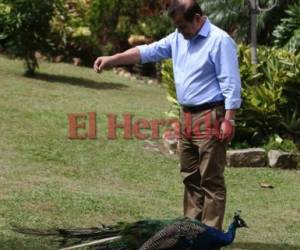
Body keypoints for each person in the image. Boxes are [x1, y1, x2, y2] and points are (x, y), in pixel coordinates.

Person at [93, 0, 242, 236]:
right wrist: (113, 59)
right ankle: (190, 234)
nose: (180, 31)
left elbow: (231, 82)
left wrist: (229, 118)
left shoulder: (219, 40)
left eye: (183, 26)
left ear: (198, 18)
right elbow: (145, 52)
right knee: (190, 177)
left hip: (211, 115)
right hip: (187, 116)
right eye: (177, 26)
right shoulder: (178, 38)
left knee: (211, 181)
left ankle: (210, 237)